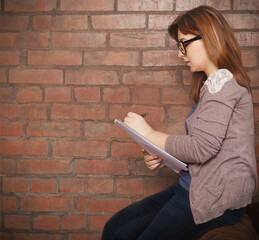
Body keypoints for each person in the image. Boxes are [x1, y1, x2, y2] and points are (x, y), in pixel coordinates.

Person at [102, 5, 258, 240]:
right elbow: (214, 149)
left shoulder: (224, 84)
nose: (180, 53)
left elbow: (201, 148)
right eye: (178, 45)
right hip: (192, 186)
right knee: (116, 229)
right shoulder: (212, 85)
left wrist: (150, 133)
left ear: (209, 37)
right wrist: (162, 155)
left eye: (184, 42)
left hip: (211, 198)